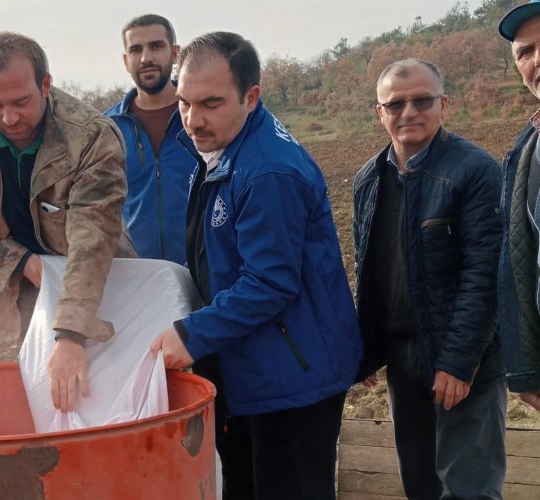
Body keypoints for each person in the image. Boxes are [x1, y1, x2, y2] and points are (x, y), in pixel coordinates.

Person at [150, 32, 362, 500]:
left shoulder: (267, 171)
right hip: (253, 356)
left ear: (251, 96)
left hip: (293, 370)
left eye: (210, 103)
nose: (192, 120)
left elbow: (269, 282)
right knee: (248, 480)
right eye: (184, 103)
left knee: (289, 486)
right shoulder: (223, 146)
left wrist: (191, 334)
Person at [0, 32, 136, 412]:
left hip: (98, 281)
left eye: (21, 102)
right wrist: (22, 264)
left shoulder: (90, 137)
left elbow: (93, 239)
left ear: (45, 84)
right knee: (41, 394)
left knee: (107, 390)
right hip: (21, 287)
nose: (9, 118)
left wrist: (72, 335)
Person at [353, 59, 506, 499]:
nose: (409, 112)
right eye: (395, 103)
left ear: (444, 104)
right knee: (419, 483)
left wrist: (459, 362)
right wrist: (365, 350)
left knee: (468, 487)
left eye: (422, 100)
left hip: (464, 362)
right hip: (404, 359)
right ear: (378, 112)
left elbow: (485, 273)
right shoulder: (370, 178)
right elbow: (370, 269)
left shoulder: (474, 171)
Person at [104, 14, 194, 263]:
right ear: (126, 60)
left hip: (205, 274)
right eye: (136, 50)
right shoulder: (106, 130)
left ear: (175, 53)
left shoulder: (202, 117)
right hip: (137, 278)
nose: (146, 58)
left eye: (156, 46)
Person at [497, 0, 540, 412]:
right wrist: (527, 370)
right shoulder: (526, 151)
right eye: (525, 52)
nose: (537, 58)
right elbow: (520, 262)